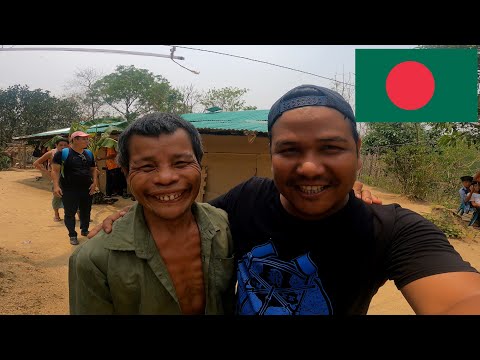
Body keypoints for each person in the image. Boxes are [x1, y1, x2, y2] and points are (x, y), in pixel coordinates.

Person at [90, 84, 480, 315]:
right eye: (290, 150)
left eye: (331, 148)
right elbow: (186, 216)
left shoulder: (394, 230)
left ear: (358, 153)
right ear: (272, 152)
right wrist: (139, 211)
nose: (309, 168)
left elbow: (458, 298)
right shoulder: (246, 199)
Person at [68, 113, 235, 314]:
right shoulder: (93, 260)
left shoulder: (223, 226)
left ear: (199, 164)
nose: (165, 178)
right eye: (146, 167)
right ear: (126, 173)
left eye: (181, 163)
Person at [51, 131, 97, 245]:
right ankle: (72, 234)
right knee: (70, 213)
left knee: (86, 211)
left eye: (87, 139)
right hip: (69, 189)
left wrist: (95, 183)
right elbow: (55, 170)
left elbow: (93, 169)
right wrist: (56, 186)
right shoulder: (63, 154)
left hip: (87, 188)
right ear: (75, 140)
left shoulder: (89, 154)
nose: (87, 141)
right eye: (84, 139)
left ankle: (85, 230)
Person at [32, 137, 69, 222]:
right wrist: (47, 173)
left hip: (68, 178)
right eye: (61, 145)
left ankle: (78, 214)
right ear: (56, 145)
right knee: (57, 196)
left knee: (72, 195)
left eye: (65, 145)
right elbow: (36, 163)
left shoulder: (70, 153)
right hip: (56, 178)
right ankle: (56, 215)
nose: (63, 147)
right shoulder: (52, 153)